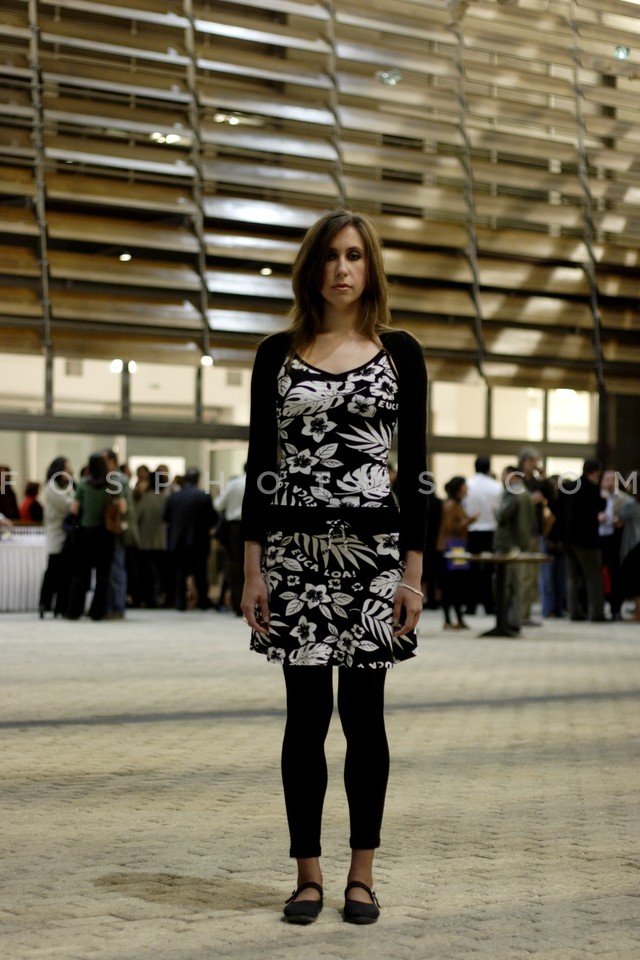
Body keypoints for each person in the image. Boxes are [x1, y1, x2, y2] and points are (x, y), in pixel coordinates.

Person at [241, 209, 427, 925]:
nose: (342, 269)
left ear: (370, 266)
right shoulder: (276, 354)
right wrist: (253, 570)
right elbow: (260, 469)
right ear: (311, 268)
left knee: (365, 719)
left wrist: (412, 574)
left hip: (374, 561)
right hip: (295, 559)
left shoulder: (400, 352)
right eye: (330, 256)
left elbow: (416, 472)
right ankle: (307, 876)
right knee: (305, 719)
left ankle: (362, 875)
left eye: (354, 255)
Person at [67, 453, 126, 620]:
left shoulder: (83, 484)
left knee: (81, 573)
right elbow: (123, 508)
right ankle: (97, 612)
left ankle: (74, 611)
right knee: (103, 575)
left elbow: (74, 509)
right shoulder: (113, 484)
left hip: (86, 533)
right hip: (106, 533)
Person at [557, 458, 605, 622]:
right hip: (586, 539)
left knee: (572, 577)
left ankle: (574, 612)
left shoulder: (569, 486)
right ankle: (596, 613)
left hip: (567, 539)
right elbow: (598, 508)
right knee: (593, 577)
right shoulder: (591, 488)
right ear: (595, 472)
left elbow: (559, 510)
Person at [163, 467, 217, 610]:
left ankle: (180, 603)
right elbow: (212, 519)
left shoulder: (174, 497)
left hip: (178, 540)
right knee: (200, 573)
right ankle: (203, 602)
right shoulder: (204, 496)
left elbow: (166, 517)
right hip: (199, 540)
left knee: (180, 573)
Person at [493, 466, 537, 633]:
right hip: (521, 543)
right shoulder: (526, 493)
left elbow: (503, 515)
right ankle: (516, 619)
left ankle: (507, 621)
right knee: (518, 585)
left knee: (506, 585)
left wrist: (495, 509)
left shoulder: (512, 492)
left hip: (508, 544)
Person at [435, 476, 477, 630]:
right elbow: (450, 527)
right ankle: (449, 619)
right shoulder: (451, 505)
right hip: (450, 548)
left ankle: (457, 618)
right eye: (465, 486)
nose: (467, 489)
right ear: (459, 488)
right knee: (451, 585)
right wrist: (468, 521)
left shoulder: (457, 504)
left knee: (456, 585)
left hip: (455, 548)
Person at [463, 455, 502, 614]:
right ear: (489, 468)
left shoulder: (468, 484)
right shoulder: (496, 486)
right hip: (490, 530)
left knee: (472, 569)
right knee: (488, 569)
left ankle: (471, 605)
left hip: (472, 530)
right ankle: (489, 605)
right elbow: (499, 510)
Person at [38, 457, 74, 618]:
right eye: (66, 469)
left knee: (65, 574)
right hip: (56, 533)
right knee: (53, 571)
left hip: (66, 534)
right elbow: (68, 505)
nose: (69, 472)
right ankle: (45, 603)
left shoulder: (67, 487)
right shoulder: (51, 487)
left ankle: (60, 606)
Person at [214, 466, 247, 616]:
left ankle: (238, 604)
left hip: (235, 527)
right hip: (256, 525)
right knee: (255, 563)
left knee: (235, 565)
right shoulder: (264, 482)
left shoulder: (235, 484)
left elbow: (218, 504)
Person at [598, 468, 624, 620]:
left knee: (616, 574)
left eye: (613, 479)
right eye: (607, 479)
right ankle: (596, 608)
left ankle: (616, 609)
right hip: (599, 540)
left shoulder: (623, 499)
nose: (610, 483)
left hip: (615, 540)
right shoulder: (595, 497)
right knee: (597, 574)